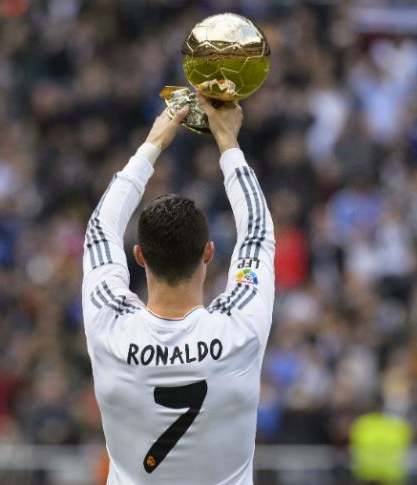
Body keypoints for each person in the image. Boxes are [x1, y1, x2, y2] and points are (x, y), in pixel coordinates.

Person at [81, 95, 276, 484]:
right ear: (208, 253)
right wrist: (228, 143)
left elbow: (100, 231)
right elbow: (256, 232)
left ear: (139, 256)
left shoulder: (110, 328)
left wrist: (151, 145)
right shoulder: (238, 328)